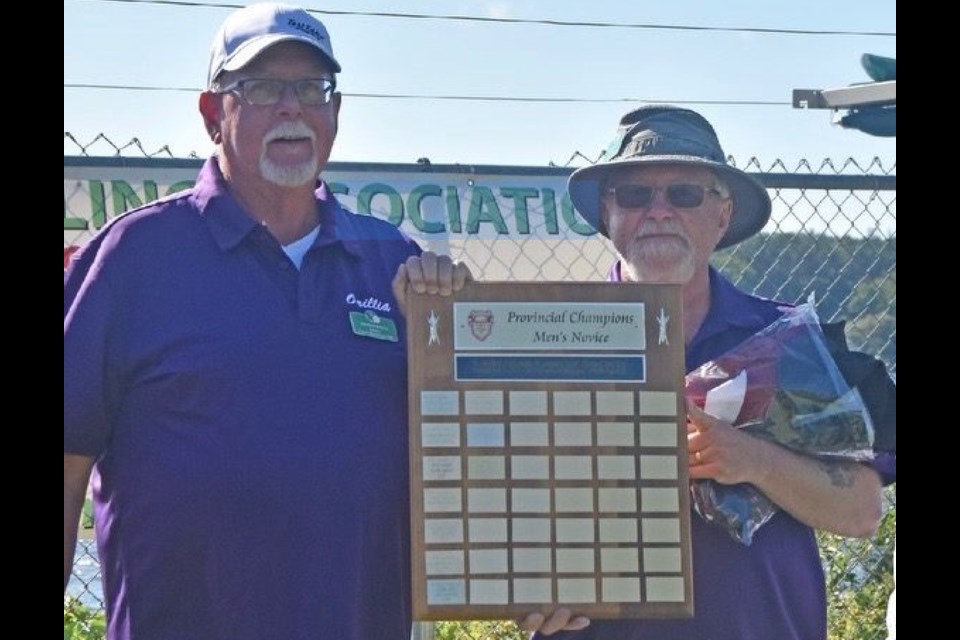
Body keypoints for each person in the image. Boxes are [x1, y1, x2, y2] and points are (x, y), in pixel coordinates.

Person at [64, 4, 468, 639]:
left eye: (313, 89)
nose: (292, 107)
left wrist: (464, 325)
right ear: (211, 116)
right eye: (261, 88)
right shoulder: (132, 258)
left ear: (336, 112)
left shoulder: (394, 266)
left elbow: (476, 453)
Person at [523, 105, 897, 639]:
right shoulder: (542, 345)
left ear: (722, 216)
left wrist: (751, 459)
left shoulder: (792, 342)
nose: (658, 211)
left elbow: (861, 512)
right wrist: (526, 590)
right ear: (607, 215)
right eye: (633, 194)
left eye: (685, 193)